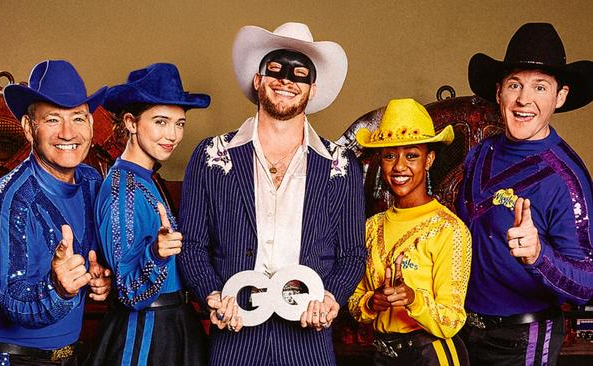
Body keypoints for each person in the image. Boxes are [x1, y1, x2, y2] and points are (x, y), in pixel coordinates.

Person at [178, 22, 366, 366]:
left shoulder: (340, 164)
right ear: (257, 80)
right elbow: (191, 245)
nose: (286, 80)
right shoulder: (211, 156)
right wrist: (213, 297)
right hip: (235, 331)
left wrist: (330, 297)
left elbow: (353, 253)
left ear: (311, 89)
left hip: (308, 335)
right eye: (275, 70)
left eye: (299, 75)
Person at [456, 22, 593, 365]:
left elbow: (587, 283)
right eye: (515, 84)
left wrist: (537, 255)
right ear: (499, 91)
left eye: (540, 87)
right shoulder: (480, 153)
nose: (523, 99)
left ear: (560, 97)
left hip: (521, 340)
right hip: (462, 330)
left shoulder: (566, 179)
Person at [0, 60, 112, 366]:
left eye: (78, 118)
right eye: (52, 120)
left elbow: (91, 260)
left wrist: (97, 277)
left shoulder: (91, 183)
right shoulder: (9, 199)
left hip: (68, 355)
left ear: (91, 124)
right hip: (10, 359)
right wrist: (59, 287)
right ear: (28, 128)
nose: (68, 132)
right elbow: (14, 302)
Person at [87, 63, 210, 365]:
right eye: (160, 121)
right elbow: (130, 293)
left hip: (173, 327)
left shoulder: (145, 179)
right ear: (130, 122)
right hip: (147, 335)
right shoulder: (122, 189)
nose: (173, 135)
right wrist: (156, 252)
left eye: (179, 123)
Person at [348, 99, 472, 365]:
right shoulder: (372, 226)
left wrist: (414, 299)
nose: (399, 166)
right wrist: (372, 302)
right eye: (390, 155)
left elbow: (452, 320)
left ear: (429, 159)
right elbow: (355, 302)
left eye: (412, 155)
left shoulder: (448, 229)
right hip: (383, 354)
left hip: (431, 354)